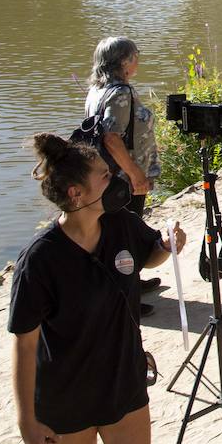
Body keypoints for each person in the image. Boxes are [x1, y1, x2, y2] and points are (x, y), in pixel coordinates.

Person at [10, 134, 186, 444]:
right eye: (105, 176)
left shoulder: (122, 224)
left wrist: (165, 246)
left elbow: (146, 258)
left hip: (124, 384)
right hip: (68, 397)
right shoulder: (38, 261)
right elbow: (26, 344)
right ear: (76, 194)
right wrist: (27, 421)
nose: (116, 179)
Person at [85, 37, 162, 309]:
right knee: (123, 236)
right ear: (125, 61)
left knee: (119, 232)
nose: (138, 60)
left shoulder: (98, 89)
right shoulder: (120, 93)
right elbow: (112, 138)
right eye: (135, 56)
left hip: (106, 177)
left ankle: (132, 281)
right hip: (123, 178)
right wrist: (135, 174)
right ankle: (124, 297)